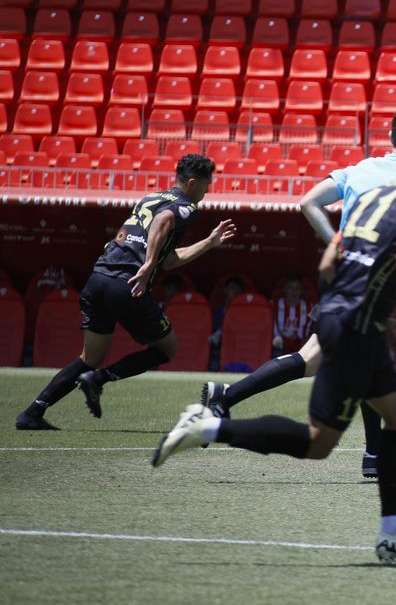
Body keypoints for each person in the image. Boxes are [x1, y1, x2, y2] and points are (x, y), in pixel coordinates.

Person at [154, 148, 396, 565]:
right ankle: (207, 427)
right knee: (318, 443)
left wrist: (361, 311)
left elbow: (332, 254)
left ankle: (394, 532)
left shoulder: (384, 190)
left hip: (346, 317)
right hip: (355, 326)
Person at [200, 106, 396, 480]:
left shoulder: (360, 169)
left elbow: (307, 201)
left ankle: (376, 455)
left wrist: (335, 243)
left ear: (391, 137)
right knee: (331, 359)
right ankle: (224, 398)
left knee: (330, 359)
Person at [16, 155, 236, 430]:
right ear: (192, 183)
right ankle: (99, 380)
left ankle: (32, 412)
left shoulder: (151, 198)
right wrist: (146, 266)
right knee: (168, 349)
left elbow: (167, 260)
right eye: (206, 186)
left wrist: (209, 242)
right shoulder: (185, 207)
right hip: (127, 284)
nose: (207, 192)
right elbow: (163, 223)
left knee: (90, 358)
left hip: (98, 280)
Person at [274, 277, 313, 354]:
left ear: (302, 290)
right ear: (285, 289)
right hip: (279, 347)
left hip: (301, 349)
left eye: (297, 288)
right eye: (290, 288)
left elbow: (313, 330)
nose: (294, 292)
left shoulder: (309, 307)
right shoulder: (274, 305)